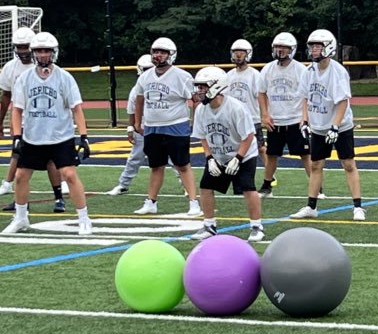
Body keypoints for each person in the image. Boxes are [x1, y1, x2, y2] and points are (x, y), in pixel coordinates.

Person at [2, 32, 94, 235]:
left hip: (60, 136)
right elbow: (16, 110)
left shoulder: (64, 77)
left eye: (47, 51)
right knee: (20, 176)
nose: (43, 55)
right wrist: (17, 136)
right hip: (33, 137)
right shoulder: (24, 79)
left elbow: (76, 108)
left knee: (69, 174)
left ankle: (84, 218)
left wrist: (84, 136)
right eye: (39, 51)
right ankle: (21, 218)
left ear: (54, 53)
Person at [290, 29, 366, 221]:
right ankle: (311, 206)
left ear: (328, 47)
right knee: (316, 164)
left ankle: (358, 206)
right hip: (318, 126)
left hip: (340, 125)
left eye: (318, 46)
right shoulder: (309, 71)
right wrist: (304, 120)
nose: (314, 50)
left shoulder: (338, 71)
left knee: (348, 164)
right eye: (312, 46)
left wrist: (335, 126)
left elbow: (342, 102)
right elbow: (305, 97)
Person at [0, 27, 68, 213]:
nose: (22, 50)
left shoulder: (50, 69)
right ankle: (18, 198)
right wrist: (1, 122)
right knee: (20, 160)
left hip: (46, 120)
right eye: (19, 46)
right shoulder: (11, 67)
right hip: (24, 122)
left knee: (50, 160)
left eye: (25, 46)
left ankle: (58, 197)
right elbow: (6, 97)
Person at [189, 67, 266, 241]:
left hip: (243, 153)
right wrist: (209, 158)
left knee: (248, 187)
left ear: (217, 87)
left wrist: (238, 159)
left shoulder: (235, 108)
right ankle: (209, 225)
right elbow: (202, 137)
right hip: (218, 156)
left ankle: (256, 226)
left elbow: (248, 135)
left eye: (203, 87)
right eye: (198, 87)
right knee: (206, 186)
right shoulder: (201, 110)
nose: (199, 91)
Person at [132, 37, 203, 216]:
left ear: (171, 55)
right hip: (152, 127)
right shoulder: (145, 76)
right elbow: (139, 99)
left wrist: (196, 121)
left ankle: (194, 202)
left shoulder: (182, 76)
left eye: (162, 52)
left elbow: (195, 100)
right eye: (156, 51)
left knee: (183, 165)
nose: (158, 55)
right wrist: (137, 122)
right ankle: (151, 201)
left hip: (176, 126)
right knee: (156, 166)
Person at [106, 54, 186, 195]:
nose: (149, 70)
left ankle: (185, 185)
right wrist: (132, 127)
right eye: (145, 68)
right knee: (135, 157)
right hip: (145, 127)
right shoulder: (139, 86)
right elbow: (132, 109)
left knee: (174, 158)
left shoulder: (171, 80)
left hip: (165, 125)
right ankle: (123, 184)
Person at [257, 32, 312, 198]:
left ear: (292, 49)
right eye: (278, 47)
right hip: (276, 120)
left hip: (295, 119)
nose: (280, 50)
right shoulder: (268, 69)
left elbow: (306, 95)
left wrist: (304, 117)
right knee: (272, 154)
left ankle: (317, 187)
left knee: (305, 154)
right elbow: (261, 93)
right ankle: (267, 186)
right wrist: (265, 115)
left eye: (284, 47)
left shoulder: (301, 70)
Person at [224, 39, 267, 184]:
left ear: (247, 54)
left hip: (251, 118)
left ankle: (270, 173)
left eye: (241, 52)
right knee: (237, 148)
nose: (238, 55)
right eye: (236, 52)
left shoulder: (255, 75)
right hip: (233, 120)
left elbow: (260, 96)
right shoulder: (228, 76)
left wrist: (264, 115)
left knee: (260, 148)